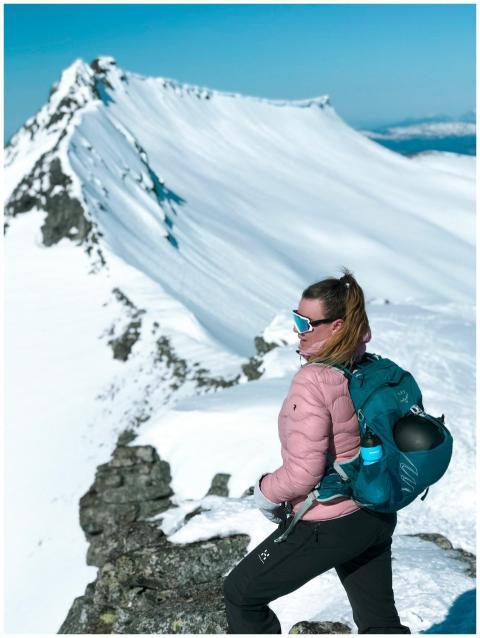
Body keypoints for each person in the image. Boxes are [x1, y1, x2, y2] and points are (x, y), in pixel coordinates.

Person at [223, 268, 411, 634]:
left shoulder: (313, 381)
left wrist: (264, 493)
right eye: (296, 318)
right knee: (380, 624)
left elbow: (303, 473)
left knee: (241, 594)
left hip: (331, 522)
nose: (297, 330)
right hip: (375, 513)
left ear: (337, 327)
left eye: (305, 322)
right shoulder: (370, 369)